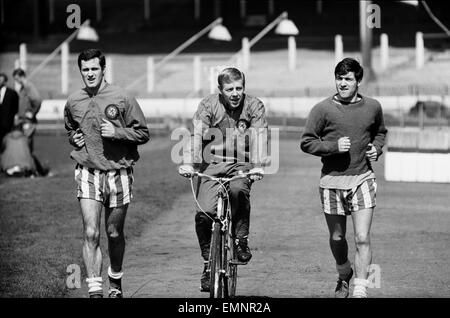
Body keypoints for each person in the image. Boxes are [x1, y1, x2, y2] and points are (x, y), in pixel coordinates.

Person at [64, 49, 150, 298]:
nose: (90, 74)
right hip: (87, 171)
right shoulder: (73, 101)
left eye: (94, 69)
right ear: (80, 71)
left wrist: (118, 133)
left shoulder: (123, 97)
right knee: (91, 232)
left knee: (113, 233)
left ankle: (115, 279)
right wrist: (74, 137)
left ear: (103, 69)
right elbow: (70, 128)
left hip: (118, 173)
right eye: (85, 70)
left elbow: (143, 133)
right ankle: (94, 290)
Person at [300, 58, 387, 298]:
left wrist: (375, 149)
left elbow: (380, 132)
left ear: (358, 81)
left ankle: (360, 290)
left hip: (362, 178)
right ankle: (343, 272)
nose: (343, 83)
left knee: (362, 237)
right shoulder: (322, 109)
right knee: (337, 237)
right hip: (331, 181)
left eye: (348, 79)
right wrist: (332, 146)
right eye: (339, 78)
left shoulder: (373, 107)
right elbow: (306, 142)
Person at [178, 67, 267, 292]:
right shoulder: (208, 105)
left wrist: (257, 165)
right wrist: (190, 163)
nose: (235, 93)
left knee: (238, 191)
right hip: (212, 164)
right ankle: (209, 265)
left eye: (239, 88)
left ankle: (240, 240)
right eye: (230, 89)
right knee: (203, 215)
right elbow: (197, 134)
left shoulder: (254, 106)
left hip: (240, 165)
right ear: (220, 90)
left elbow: (259, 135)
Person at [12, 68, 41, 153]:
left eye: (17, 79)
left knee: (26, 144)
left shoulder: (28, 86)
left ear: (22, 76)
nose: (16, 81)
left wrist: (32, 112)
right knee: (25, 144)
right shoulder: (23, 88)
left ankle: (28, 164)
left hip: (28, 121)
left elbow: (37, 100)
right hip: (23, 120)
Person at [0, 73, 19, 148]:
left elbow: (15, 108)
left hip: (7, 124)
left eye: (0, 80)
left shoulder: (12, 93)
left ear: (5, 81)